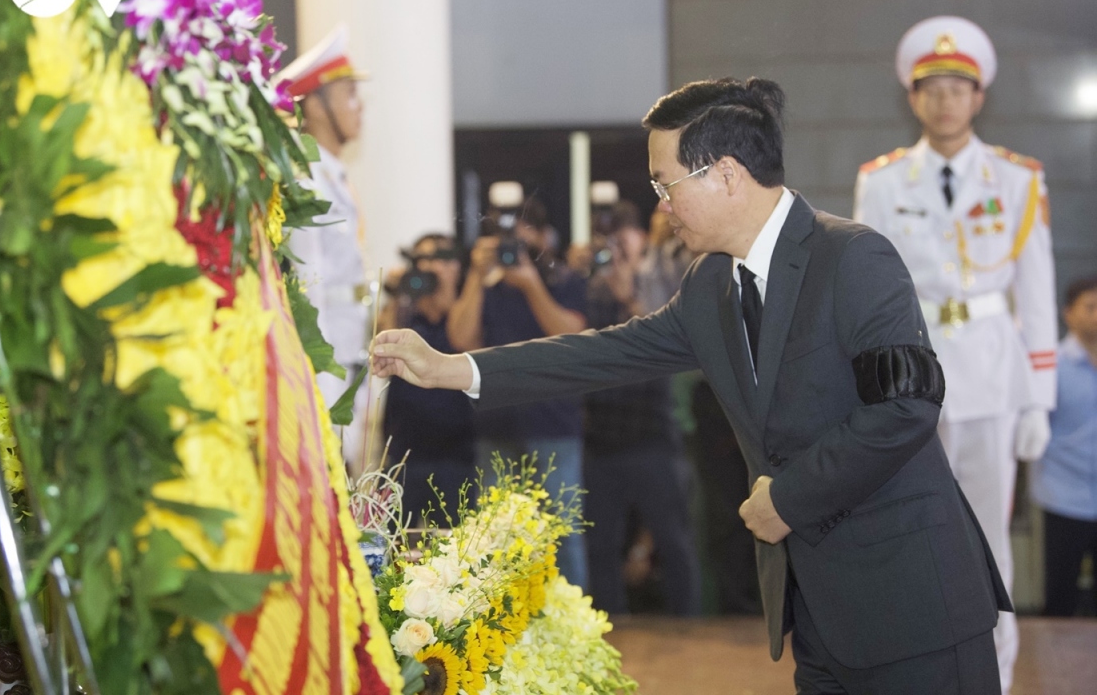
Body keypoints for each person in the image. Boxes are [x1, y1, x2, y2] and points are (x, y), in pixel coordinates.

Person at [374, 77, 1011, 694]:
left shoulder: (852, 256)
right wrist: (453, 368)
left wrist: (787, 497)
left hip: (912, 605)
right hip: (821, 617)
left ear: (727, 174)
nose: (661, 204)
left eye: (665, 183)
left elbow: (906, 407)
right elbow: (607, 352)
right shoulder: (712, 284)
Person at [853, 16, 1058, 692]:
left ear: (979, 98)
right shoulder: (881, 182)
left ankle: (991, 676)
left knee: (990, 538)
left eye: (958, 88)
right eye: (931, 88)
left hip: (995, 381)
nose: (945, 101)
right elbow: (868, 291)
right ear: (912, 98)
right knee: (912, 531)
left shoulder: (1018, 179)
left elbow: (1036, 293)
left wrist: (1039, 398)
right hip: (911, 378)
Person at [445, 197, 589, 589]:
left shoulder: (564, 280)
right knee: (495, 537)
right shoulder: (487, 285)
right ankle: (500, 626)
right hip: (496, 422)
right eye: (505, 243)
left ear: (544, 238)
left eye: (521, 243)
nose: (513, 252)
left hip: (554, 424)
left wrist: (531, 285)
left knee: (563, 533)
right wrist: (476, 276)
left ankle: (577, 628)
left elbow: (574, 336)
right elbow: (460, 339)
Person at [582, 200, 699, 616]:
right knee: (600, 545)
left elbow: (666, 342)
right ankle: (610, 627)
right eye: (605, 237)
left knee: (673, 540)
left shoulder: (662, 274)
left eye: (621, 236)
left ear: (641, 237)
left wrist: (627, 293)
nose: (614, 246)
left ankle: (691, 626)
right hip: (601, 435)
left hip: (652, 433)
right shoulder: (592, 287)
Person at [272, 25, 371, 473]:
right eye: (348, 94)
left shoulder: (330, 174)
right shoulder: (305, 179)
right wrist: (322, 379)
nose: (359, 106)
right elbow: (307, 287)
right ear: (315, 104)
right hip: (328, 360)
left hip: (350, 350)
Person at [379, 234, 477, 525]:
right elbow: (383, 342)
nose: (430, 267)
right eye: (422, 260)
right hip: (403, 451)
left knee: (455, 549)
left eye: (441, 259)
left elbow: (466, 338)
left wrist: (447, 291)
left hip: (457, 452)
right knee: (394, 544)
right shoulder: (405, 308)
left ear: (457, 266)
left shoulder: (467, 307)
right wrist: (400, 292)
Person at [1031, 275, 1097, 617]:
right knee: (1060, 598)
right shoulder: (1050, 366)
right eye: (1091, 307)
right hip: (1064, 498)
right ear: (1068, 313)